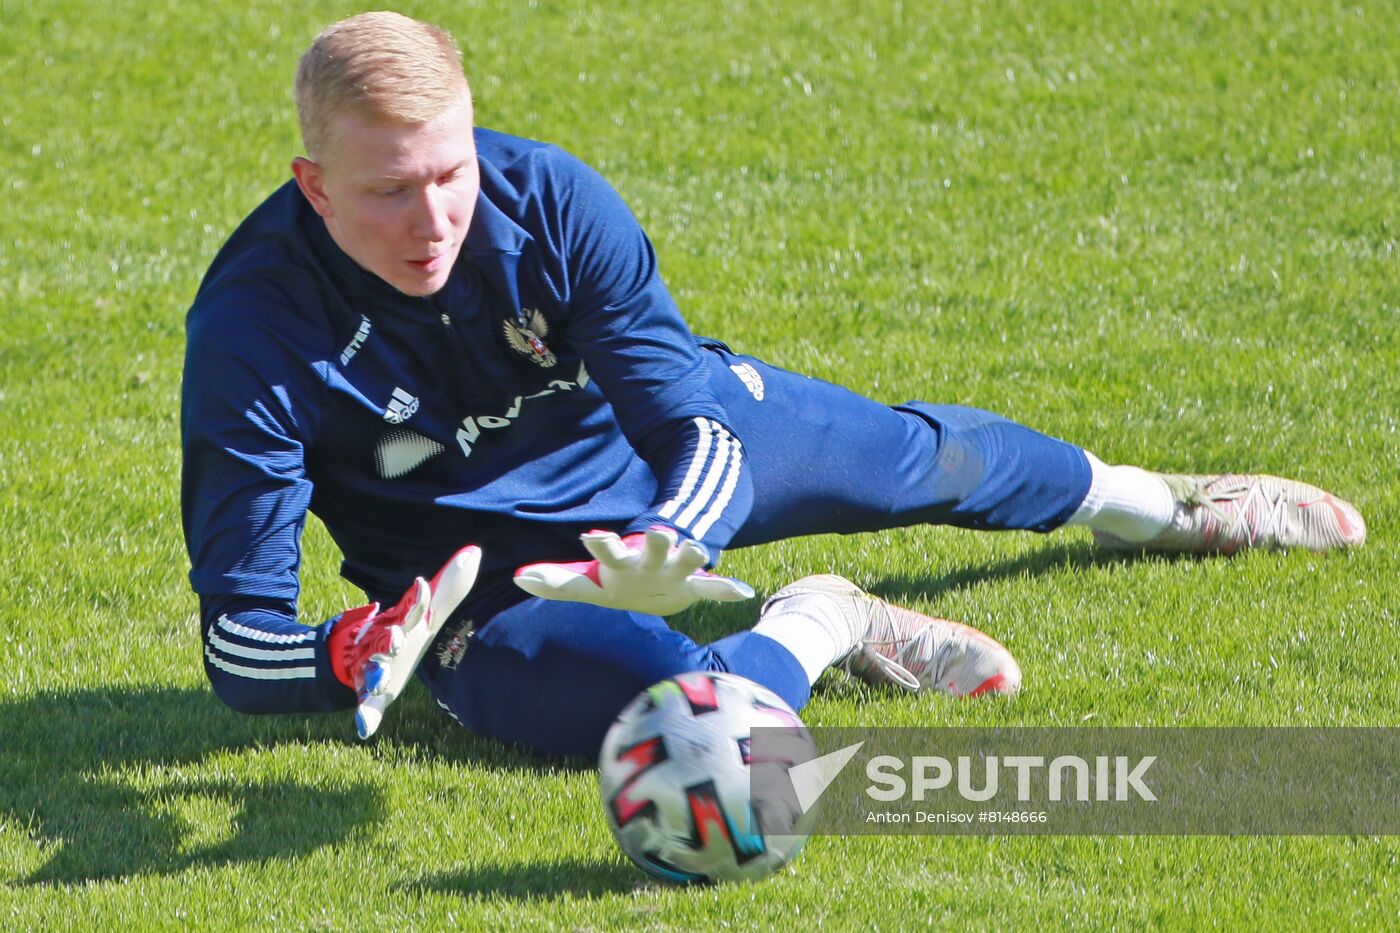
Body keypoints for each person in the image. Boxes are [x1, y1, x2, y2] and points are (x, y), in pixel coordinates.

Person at [181, 12, 1366, 759]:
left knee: (921, 462)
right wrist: (355, 646)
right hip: (475, 585)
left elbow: (692, 425)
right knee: (683, 726)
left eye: (450, 171)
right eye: (389, 190)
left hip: (655, 470)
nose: (434, 215)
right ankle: (821, 620)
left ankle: (1161, 506)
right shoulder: (251, 331)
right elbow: (239, 648)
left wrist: (658, 539)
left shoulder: (548, 200)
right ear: (314, 184)